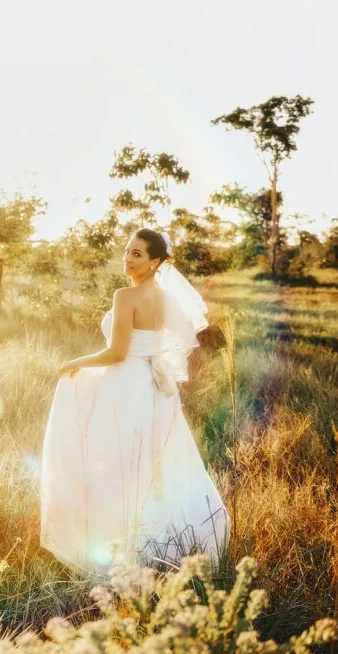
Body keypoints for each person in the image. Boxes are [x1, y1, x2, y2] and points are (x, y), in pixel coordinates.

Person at [39, 228, 229, 575]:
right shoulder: (167, 299)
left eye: (138, 254)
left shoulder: (125, 296)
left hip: (125, 386)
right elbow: (162, 344)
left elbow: (116, 352)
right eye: (127, 250)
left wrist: (75, 363)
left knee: (113, 463)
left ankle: (115, 545)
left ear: (155, 261)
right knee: (155, 465)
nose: (128, 258)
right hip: (155, 389)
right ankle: (165, 544)